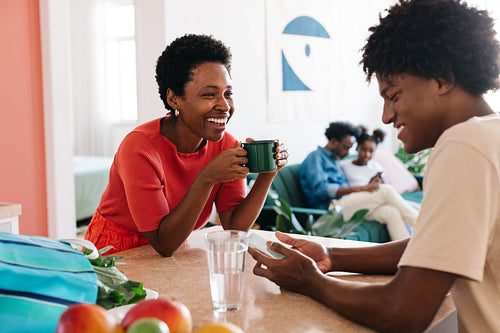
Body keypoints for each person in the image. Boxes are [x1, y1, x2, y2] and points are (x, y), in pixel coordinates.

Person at [249, 0, 500, 332]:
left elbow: (402, 310)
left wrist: (310, 281)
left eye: (393, 95)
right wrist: (332, 255)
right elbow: (432, 248)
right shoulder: (490, 136)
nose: (386, 116)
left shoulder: (463, 145)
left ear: (442, 79)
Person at [85, 34, 288, 257]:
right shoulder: (139, 148)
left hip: (177, 246)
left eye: (228, 93)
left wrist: (268, 174)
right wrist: (208, 177)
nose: (224, 106)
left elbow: (235, 229)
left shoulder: (226, 145)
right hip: (116, 253)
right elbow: (163, 243)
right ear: (174, 99)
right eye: (210, 94)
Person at [300, 121, 417, 240]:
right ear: (334, 141)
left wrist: (365, 187)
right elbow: (321, 189)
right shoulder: (315, 158)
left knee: (391, 212)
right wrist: (361, 189)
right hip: (331, 209)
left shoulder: (335, 160)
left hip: (346, 204)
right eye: (346, 147)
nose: (347, 153)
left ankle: (407, 255)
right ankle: (422, 225)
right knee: (385, 190)